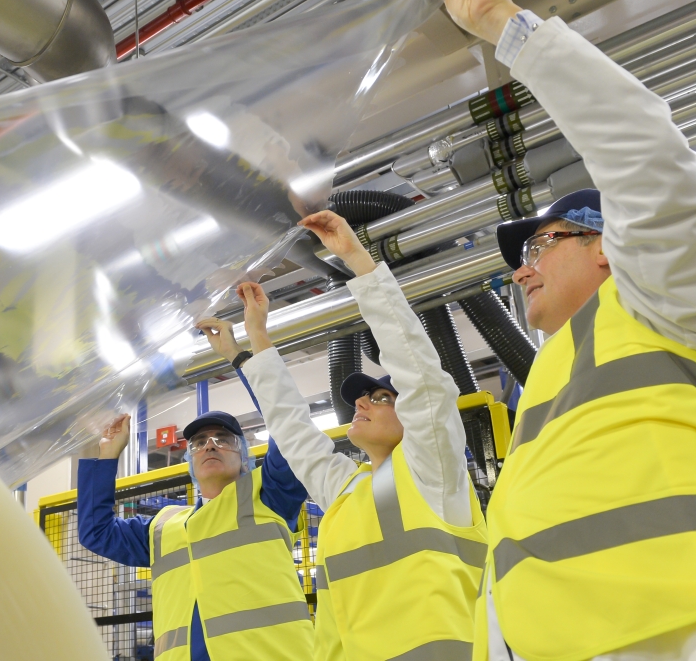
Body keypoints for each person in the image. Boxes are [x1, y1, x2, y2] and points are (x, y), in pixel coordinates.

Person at [418, 0, 696, 660]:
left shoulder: (681, 309)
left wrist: (507, 25)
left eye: (540, 248)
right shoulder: (559, 373)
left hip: (684, 628)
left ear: (609, 244)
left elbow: (650, 164)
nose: (520, 273)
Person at [196, 207, 486, 661]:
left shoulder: (432, 468)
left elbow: (422, 376)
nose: (363, 403)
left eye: (382, 398)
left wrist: (359, 262)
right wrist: (257, 337)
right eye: (362, 398)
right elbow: (292, 430)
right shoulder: (345, 491)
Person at [77, 403, 313, 661]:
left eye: (223, 440)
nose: (209, 446)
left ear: (245, 458)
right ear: (190, 462)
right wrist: (108, 456)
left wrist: (249, 362)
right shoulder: (163, 527)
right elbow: (96, 531)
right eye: (198, 443)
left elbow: (288, 427)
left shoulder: (269, 497)